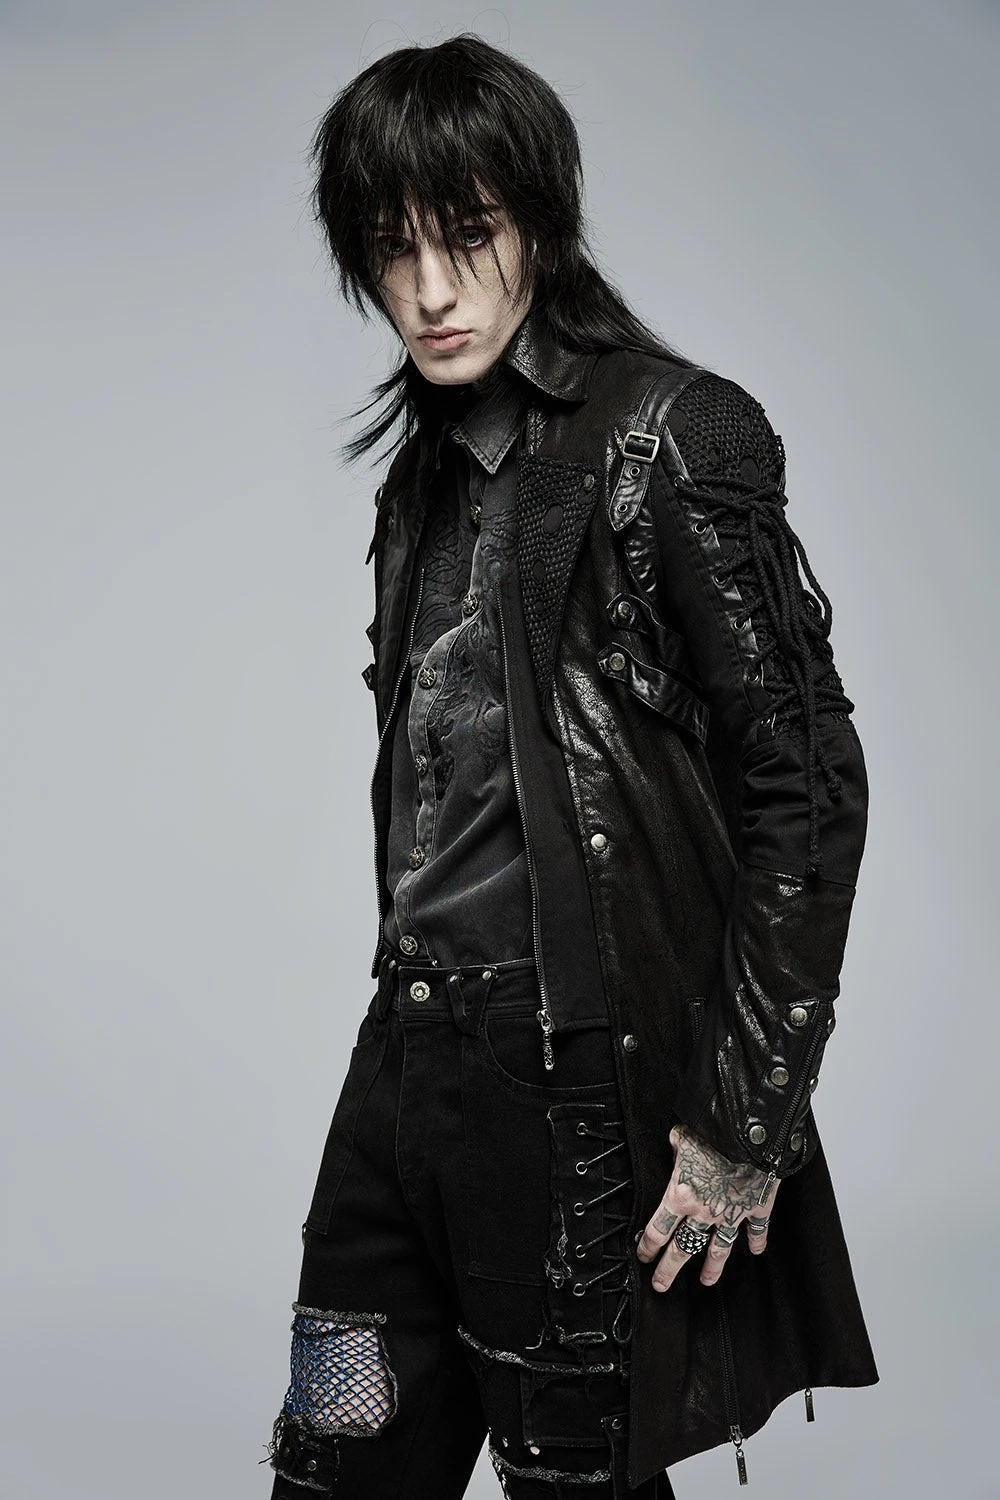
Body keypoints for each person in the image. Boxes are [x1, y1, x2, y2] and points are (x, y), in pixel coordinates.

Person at [262, 33, 878, 1500]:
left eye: (467, 236)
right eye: (393, 248)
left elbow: (807, 786)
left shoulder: (671, 435)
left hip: (570, 1099)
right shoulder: (420, 479)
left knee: (572, 1479)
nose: (431, 288)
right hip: (404, 1071)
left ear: (539, 220)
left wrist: (744, 1119)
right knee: (334, 1460)